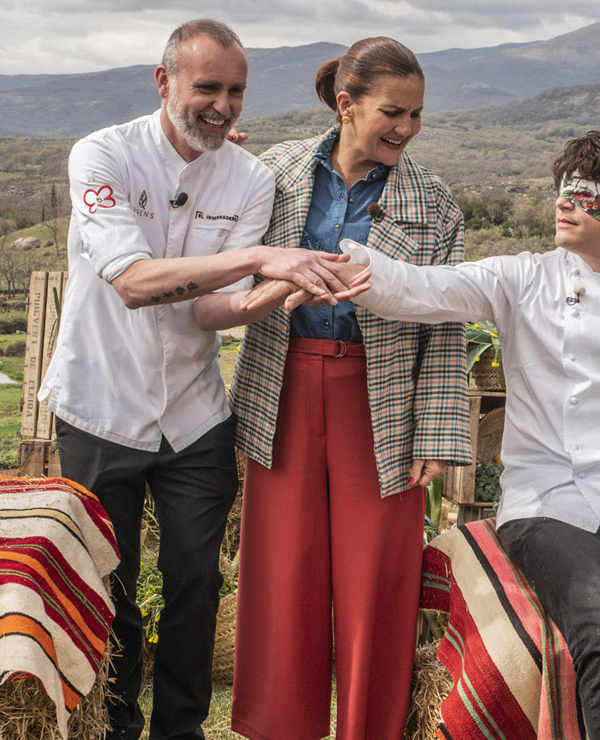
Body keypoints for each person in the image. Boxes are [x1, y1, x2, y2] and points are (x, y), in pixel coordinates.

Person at [253, 130, 600, 739]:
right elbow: (417, 289)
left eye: (585, 194)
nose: (564, 202)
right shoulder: (521, 278)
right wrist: (340, 261)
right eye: (562, 191)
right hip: (546, 502)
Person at [39, 19, 366, 740]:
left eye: (237, 92)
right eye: (207, 88)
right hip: (99, 408)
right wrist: (263, 257)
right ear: (164, 82)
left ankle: (180, 729)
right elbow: (131, 282)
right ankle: (114, 726)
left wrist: (276, 290)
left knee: (197, 584)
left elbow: (211, 312)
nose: (223, 106)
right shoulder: (102, 156)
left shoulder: (247, 178)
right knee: (110, 585)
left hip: (194, 416)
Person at [226, 37, 471, 740]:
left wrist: (437, 433)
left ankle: (370, 729)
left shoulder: (435, 203)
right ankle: (279, 727)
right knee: (282, 570)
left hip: (385, 398)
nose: (407, 128)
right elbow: (229, 265)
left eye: (417, 115)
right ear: (346, 105)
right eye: (394, 112)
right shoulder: (270, 173)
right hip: (284, 387)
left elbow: (446, 323)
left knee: (378, 580)